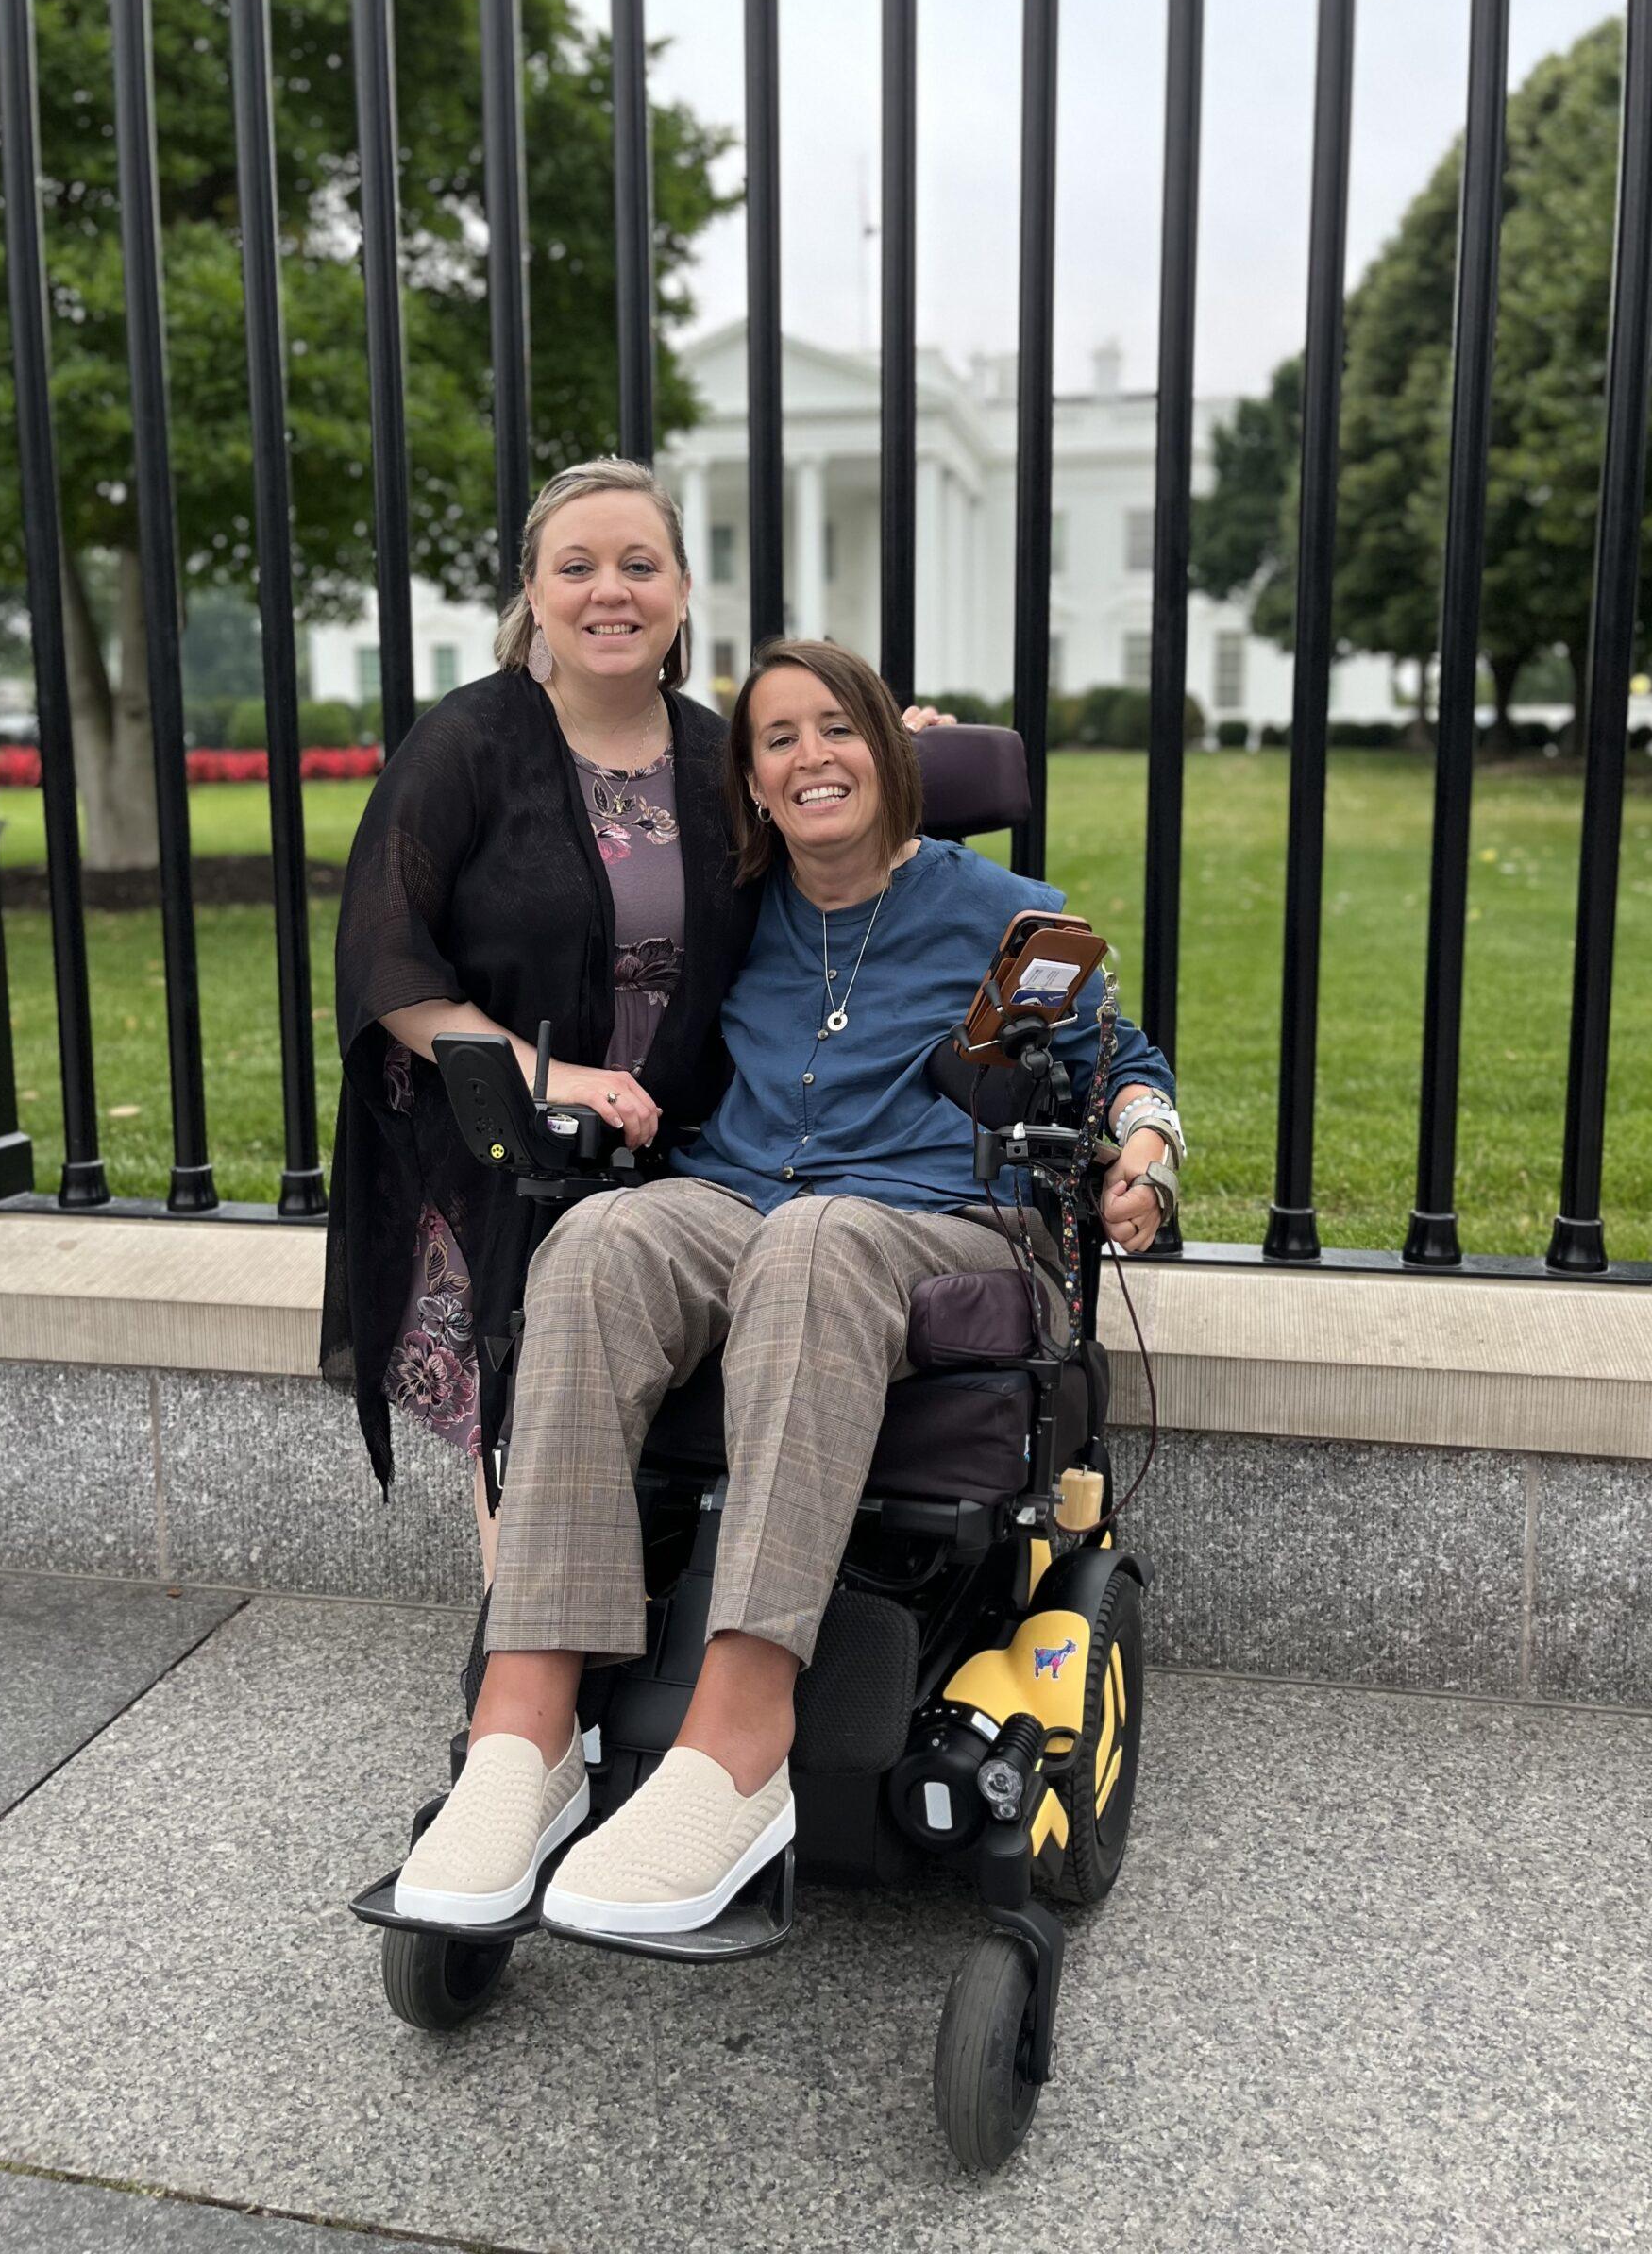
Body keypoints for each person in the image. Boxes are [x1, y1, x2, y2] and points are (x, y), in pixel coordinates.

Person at [391, 638, 1180, 1938]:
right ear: (747, 780)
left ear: (892, 748)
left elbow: (1125, 1062)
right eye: (779, 739)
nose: (813, 758)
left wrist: (1143, 1151)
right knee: (595, 1244)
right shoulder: (735, 914)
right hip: (739, 1200)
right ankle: (523, 1736)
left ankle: (741, 1740)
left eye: (841, 729)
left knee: (816, 1238)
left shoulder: (1006, 913)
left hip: (939, 1218)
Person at [320, 459, 758, 1577]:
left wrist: (892, 744)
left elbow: (835, 832)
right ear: (535, 591)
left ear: (683, 589)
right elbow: (387, 964)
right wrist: (551, 1079)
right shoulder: (466, 745)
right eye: (578, 566)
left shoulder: (723, 756)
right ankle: (528, 1641)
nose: (610, 590)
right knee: (532, 1379)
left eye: (638, 563)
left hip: (688, 1134)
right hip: (499, 1135)